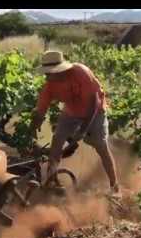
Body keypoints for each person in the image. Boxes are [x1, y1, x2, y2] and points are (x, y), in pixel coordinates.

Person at [30, 50, 121, 197]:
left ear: (59, 70)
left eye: (49, 73)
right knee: (57, 141)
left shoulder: (81, 73)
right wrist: (32, 129)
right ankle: (51, 181)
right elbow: (40, 111)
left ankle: (115, 187)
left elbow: (93, 102)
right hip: (71, 112)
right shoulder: (49, 86)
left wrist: (82, 131)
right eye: (45, 73)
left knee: (100, 144)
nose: (46, 76)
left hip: (96, 111)